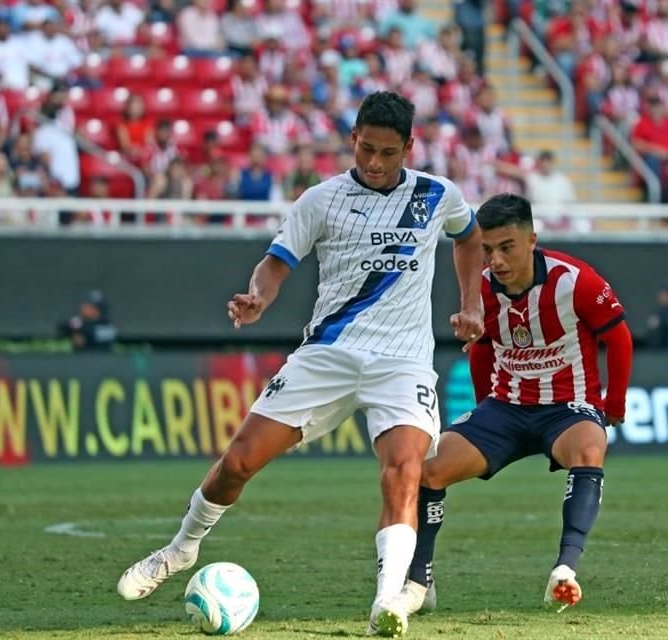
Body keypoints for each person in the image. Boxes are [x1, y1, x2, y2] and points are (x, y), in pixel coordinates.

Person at [116, 91, 484, 638]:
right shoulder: (321, 200)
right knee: (239, 462)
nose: (376, 164)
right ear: (352, 138)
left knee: (405, 471)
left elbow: (470, 236)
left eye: (388, 153)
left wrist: (471, 302)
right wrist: (258, 297)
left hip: (401, 363)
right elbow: (277, 262)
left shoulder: (437, 195)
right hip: (328, 354)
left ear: (409, 147)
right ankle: (180, 550)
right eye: (366, 149)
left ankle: (387, 603)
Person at [386, 192, 633, 617]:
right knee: (428, 467)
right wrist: (485, 408)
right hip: (506, 407)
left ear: (531, 240)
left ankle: (564, 570)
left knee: (590, 448)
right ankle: (419, 581)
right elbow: (482, 347)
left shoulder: (575, 280)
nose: (495, 260)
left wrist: (615, 403)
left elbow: (619, 337)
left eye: (506, 247)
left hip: (567, 406)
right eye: (486, 249)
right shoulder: (478, 288)